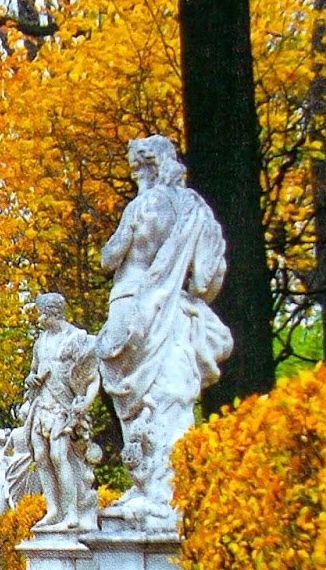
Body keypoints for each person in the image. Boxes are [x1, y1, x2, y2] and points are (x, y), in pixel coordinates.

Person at [96, 134, 233, 529]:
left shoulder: (144, 205)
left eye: (135, 167)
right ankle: (162, 487)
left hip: (130, 302)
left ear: (145, 166)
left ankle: (157, 489)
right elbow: (208, 277)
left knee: (135, 396)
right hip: (171, 307)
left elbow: (109, 257)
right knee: (167, 395)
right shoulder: (195, 211)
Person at [21, 292, 100, 531]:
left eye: (42, 313)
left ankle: (72, 512)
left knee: (59, 456)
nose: (40, 318)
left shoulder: (77, 338)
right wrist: (32, 379)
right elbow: (31, 373)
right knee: (41, 457)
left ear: (54, 312)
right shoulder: (41, 342)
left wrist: (85, 403)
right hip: (41, 407)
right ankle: (53, 510)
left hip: (63, 409)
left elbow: (93, 377)